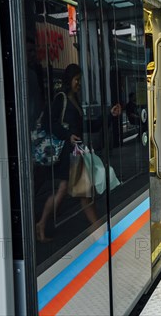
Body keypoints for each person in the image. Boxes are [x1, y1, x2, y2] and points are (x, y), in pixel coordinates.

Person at [36, 63, 121, 242]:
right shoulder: (61, 98)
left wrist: (109, 115)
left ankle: (42, 224)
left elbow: (88, 127)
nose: (79, 84)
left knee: (71, 191)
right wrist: (67, 136)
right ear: (69, 80)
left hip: (76, 152)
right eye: (77, 80)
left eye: (80, 80)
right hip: (68, 153)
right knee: (83, 193)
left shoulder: (73, 100)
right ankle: (99, 233)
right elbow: (48, 123)